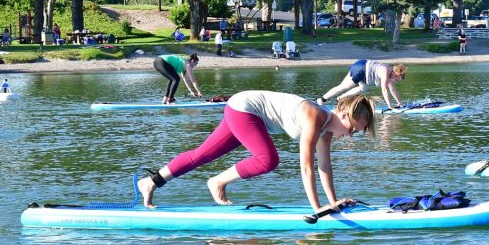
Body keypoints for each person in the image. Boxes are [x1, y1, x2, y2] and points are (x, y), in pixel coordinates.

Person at [137, 92, 375, 211]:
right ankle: (218, 181)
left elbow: (324, 166)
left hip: (246, 110)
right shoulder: (315, 118)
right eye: (353, 129)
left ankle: (151, 182)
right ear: (343, 115)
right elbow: (306, 166)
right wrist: (317, 208)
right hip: (245, 109)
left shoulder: (327, 131)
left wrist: (333, 202)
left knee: (202, 155)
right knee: (268, 159)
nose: (351, 136)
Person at [318, 59, 405, 110]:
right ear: (396, 74)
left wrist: (400, 103)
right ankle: (322, 100)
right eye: (397, 79)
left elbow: (393, 90)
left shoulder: (390, 75)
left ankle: (340, 98)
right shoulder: (385, 72)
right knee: (343, 87)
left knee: (363, 88)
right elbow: (384, 90)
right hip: (360, 69)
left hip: (365, 71)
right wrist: (389, 106)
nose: (396, 81)